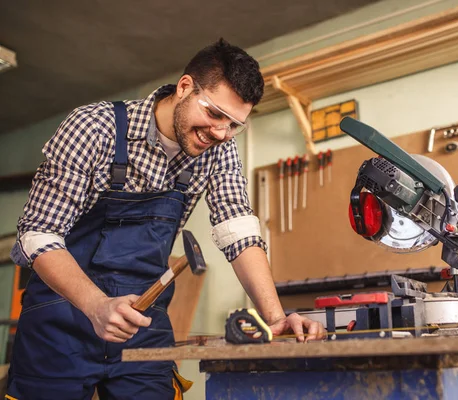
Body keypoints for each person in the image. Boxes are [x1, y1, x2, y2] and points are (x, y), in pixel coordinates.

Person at [6, 38, 326, 400]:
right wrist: (96, 305)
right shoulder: (94, 129)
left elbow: (238, 228)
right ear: (186, 87)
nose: (221, 133)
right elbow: (37, 233)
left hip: (143, 323)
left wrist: (274, 318)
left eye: (235, 124)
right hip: (61, 319)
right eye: (214, 114)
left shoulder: (217, 152)